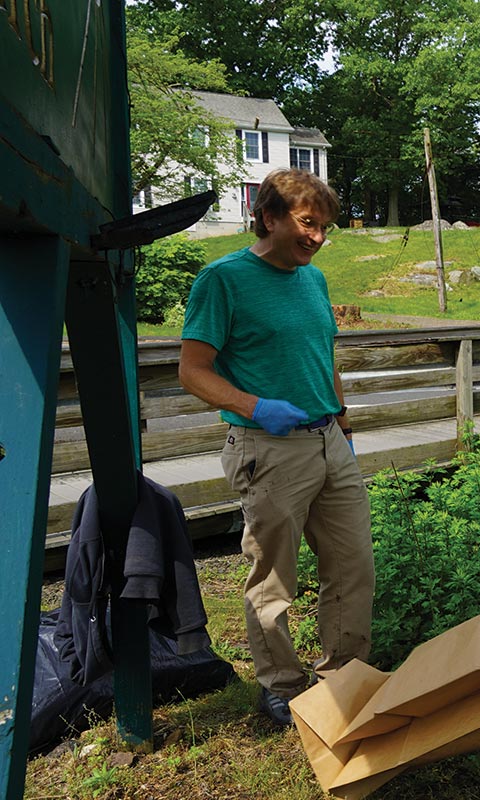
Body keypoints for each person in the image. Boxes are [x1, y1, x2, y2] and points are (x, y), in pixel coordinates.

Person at [178, 168, 374, 727]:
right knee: (274, 578)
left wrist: (344, 424)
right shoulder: (223, 280)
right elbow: (193, 371)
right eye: (308, 223)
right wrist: (255, 406)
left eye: (324, 228)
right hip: (268, 447)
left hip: (329, 441)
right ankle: (281, 686)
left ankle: (344, 675)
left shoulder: (314, 280)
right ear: (269, 216)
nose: (317, 238)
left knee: (353, 565)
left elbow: (324, 356)